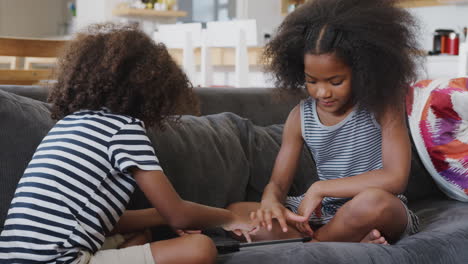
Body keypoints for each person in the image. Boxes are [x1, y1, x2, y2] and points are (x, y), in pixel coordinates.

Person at [0, 23, 255, 264]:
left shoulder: (68, 124)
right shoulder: (124, 129)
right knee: (201, 247)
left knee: (141, 235)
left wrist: (160, 218)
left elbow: (102, 220)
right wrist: (228, 217)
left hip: (13, 257)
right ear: (155, 88)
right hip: (61, 259)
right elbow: (177, 213)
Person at [228, 0, 421, 245]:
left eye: (335, 81)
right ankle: (346, 240)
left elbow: (395, 178)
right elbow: (278, 183)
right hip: (324, 212)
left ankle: (316, 244)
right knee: (236, 212)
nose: (322, 93)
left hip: (372, 206)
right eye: (312, 81)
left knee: (373, 203)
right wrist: (270, 203)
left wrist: (321, 188)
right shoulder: (300, 116)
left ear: (362, 71)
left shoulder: (382, 105)